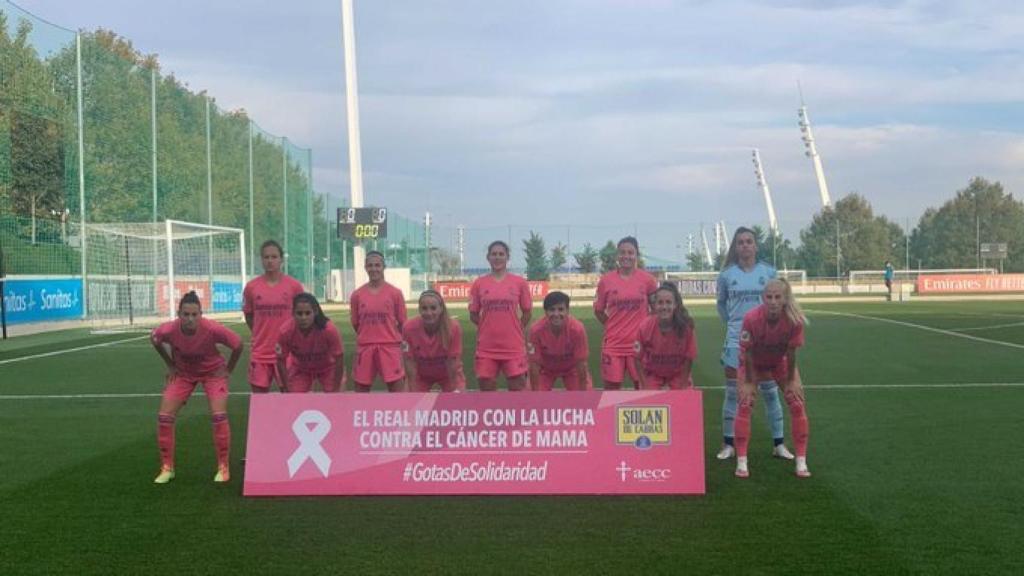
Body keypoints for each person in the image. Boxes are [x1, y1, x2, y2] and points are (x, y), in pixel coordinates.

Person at [715, 227, 792, 461]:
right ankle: (728, 444)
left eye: (749, 241)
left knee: (769, 393)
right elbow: (721, 305)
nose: (745, 246)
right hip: (736, 340)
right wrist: (736, 327)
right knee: (733, 393)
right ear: (735, 247)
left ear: (756, 246)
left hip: (766, 342)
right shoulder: (727, 275)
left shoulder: (769, 272)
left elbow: (781, 303)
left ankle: (778, 444)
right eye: (740, 242)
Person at [150, 291, 242, 484]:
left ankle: (223, 467)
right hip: (183, 374)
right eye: (186, 314)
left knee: (219, 415)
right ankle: (167, 468)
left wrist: (228, 369)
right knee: (164, 417)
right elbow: (155, 339)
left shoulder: (212, 328)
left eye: (194, 315)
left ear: (201, 314)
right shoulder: (168, 330)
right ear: (179, 314)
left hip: (213, 374)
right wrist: (170, 364)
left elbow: (238, 344)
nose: (190, 319)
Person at [734, 278, 811, 478]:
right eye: (769, 297)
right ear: (763, 298)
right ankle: (742, 461)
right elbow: (747, 352)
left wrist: (793, 379)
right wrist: (750, 382)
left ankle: (801, 461)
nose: (773, 301)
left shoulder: (795, 320)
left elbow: (792, 352)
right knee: (745, 402)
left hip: (779, 362)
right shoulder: (751, 318)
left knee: (796, 401)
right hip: (752, 364)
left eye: (778, 297)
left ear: (785, 299)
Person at [594, 236, 658, 390]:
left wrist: (646, 330)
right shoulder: (606, 281)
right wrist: (612, 325)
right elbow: (599, 310)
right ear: (617, 255)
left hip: (639, 345)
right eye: (622, 252)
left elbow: (656, 310)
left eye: (630, 252)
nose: (626, 256)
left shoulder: (648, 280)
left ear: (637, 255)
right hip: (613, 345)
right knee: (611, 389)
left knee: (642, 387)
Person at [469, 240, 532, 391]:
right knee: (487, 391)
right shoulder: (479, 284)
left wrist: (515, 328)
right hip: (486, 347)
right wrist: (488, 327)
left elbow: (527, 312)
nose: (497, 257)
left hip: (513, 347)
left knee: (518, 391)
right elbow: (473, 314)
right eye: (494, 254)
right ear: (488, 257)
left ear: (507, 257)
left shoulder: (519, 283)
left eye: (501, 254)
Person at [243, 240, 304, 393]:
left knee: (290, 398)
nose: (270, 261)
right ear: (261, 260)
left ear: (281, 260)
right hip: (260, 352)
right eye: (266, 257)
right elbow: (249, 316)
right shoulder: (251, 287)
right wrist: (261, 333)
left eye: (274, 257)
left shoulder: (294, 286)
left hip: (287, 352)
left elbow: (302, 316)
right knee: (260, 399)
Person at [350, 251, 407, 392]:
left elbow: (402, 322)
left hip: (389, 346)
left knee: (397, 389)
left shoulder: (395, 293)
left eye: (377, 265)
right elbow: (356, 323)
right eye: (370, 265)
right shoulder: (357, 295)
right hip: (366, 347)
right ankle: (362, 414)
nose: (374, 269)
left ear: (383, 267)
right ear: (365, 268)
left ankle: (399, 413)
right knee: (361, 389)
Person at [276, 293, 345, 393]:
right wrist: (286, 388)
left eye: (308, 313)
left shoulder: (329, 330)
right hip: (300, 369)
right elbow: (280, 360)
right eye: (299, 313)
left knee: (335, 400)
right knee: (294, 400)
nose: (303, 318)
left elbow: (339, 358)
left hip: (329, 368)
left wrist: (336, 387)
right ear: (293, 313)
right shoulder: (285, 331)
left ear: (315, 312)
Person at [633, 283, 697, 390]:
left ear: (675, 305)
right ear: (654, 305)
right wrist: (644, 385)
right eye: (660, 303)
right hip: (653, 374)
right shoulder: (645, 327)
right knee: (647, 400)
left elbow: (689, 358)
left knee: (683, 399)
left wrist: (683, 384)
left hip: (678, 374)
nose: (664, 307)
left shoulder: (686, 327)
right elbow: (637, 358)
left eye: (668, 303)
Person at [402, 290, 466, 392]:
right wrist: (412, 390)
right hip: (421, 374)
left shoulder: (453, 328)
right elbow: (409, 362)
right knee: (410, 401)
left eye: (433, 308)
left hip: (448, 374)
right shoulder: (408, 328)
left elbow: (453, 362)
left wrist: (455, 390)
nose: (429, 313)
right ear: (419, 309)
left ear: (441, 309)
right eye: (424, 308)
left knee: (457, 400)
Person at [528, 291, 591, 391]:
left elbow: (581, 363)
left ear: (567, 311)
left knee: (586, 396)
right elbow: (534, 364)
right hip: (545, 369)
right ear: (545, 312)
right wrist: (535, 394)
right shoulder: (535, 330)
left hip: (571, 368)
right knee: (531, 396)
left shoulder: (577, 329)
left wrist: (583, 394)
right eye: (551, 310)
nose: (556, 314)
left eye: (561, 309)